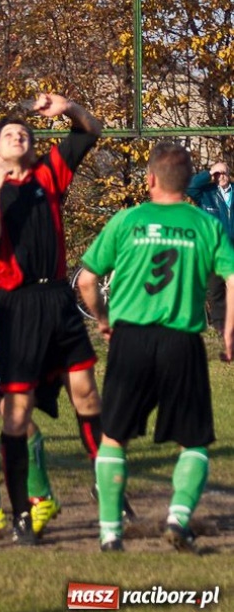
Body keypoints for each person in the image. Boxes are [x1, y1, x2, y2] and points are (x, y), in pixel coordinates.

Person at [0, 94, 103, 545]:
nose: (20, 135)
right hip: (17, 311)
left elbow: (91, 129)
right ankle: (0, 510)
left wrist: (70, 107)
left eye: (26, 133)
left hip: (54, 300)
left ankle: (107, 486)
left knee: (84, 394)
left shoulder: (49, 172)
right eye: (10, 134)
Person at [78, 141, 234, 553]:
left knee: (114, 437)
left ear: (149, 179)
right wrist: (230, 329)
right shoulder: (206, 225)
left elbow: (86, 280)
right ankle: (178, 519)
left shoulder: (126, 220)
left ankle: (111, 533)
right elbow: (233, 276)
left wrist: (105, 320)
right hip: (182, 342)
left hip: (131, 339)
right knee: (194, 441)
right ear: (187, 183)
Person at [186, 160, 234, 335]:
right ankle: (221, 327)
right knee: (215, 289)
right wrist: (209, 172)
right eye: (218, 174)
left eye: (224, 173)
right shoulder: (206, 194)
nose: (221, 177)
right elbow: (189, 187)